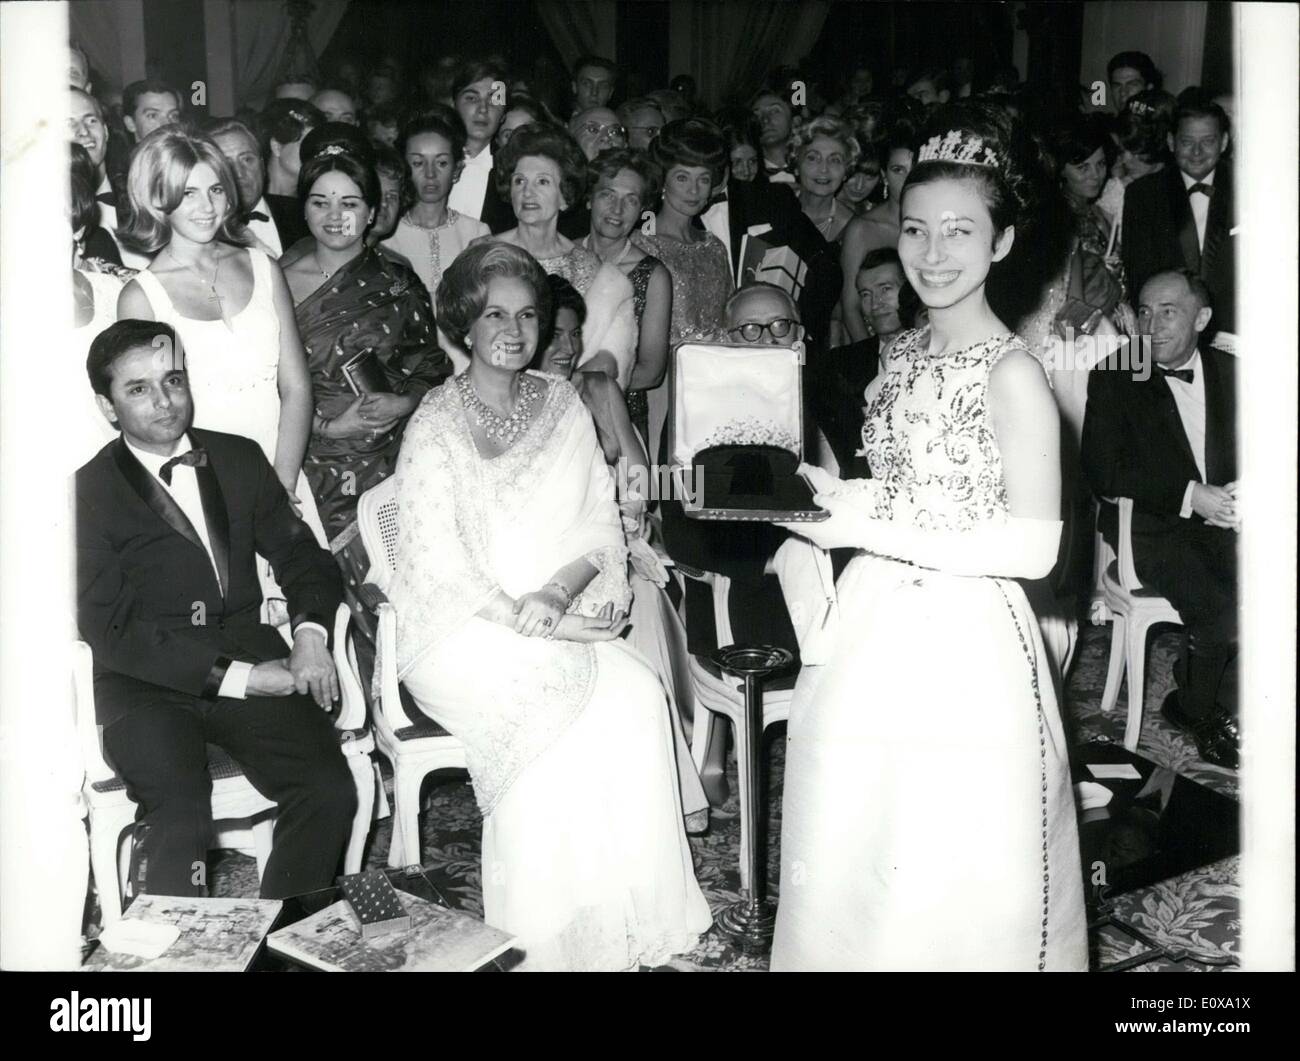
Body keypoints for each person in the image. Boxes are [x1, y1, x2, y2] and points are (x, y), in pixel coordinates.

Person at [771, 105, 1088, 970]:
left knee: (948, 865)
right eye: (916, 229)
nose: (933, 253)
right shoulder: (900, 354)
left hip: (966, 637)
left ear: (1003, 242)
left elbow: (1033, 548)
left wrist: (871, 517)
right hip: (873, 616)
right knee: (856, 838)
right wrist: (819, 499)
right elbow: (894, 488)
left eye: (960, 231)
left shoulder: (1016, 375)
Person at [388, 242, 711, 969]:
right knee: (547, 705)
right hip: (463, 627)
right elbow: (439, 566)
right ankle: (544, 940)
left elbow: (599, 522)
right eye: (495, 313)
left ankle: (620, 920)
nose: (514, 329)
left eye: (528, 315)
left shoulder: (562, 402)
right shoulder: (434, 424)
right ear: (463, 324)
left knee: (632, 690)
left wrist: (558, 594)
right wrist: (531, 617)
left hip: (551, 608)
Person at [76, 319, 355, 900]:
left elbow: (304, 558)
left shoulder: (236, 457)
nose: (165, 400)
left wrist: (309, 635)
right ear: (107, 406)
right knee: (179, 813)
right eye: (138, 389)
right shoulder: (86, 493)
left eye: (173, 380)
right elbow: (116, 632)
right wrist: (248, 680)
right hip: (144, 684)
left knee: (329, 789)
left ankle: (281, 940)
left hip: (250, 650)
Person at [535, 275, 709, 831]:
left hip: (612, 541)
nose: (566, 348)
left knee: (643, 601)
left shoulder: (600, 390)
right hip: (541, 559)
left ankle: (659, 794)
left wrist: (625, 517)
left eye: (574, 334)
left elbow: (638, 482)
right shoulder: (511, 402)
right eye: (554, 335)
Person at [115, 126, 326, 570]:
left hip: (282, 473)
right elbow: (163, 415)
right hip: (205, 489)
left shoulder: (263, 266)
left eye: (215, 189)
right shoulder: (144, 298)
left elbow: (296, 386)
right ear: (157, 199)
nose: (207, 207)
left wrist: (280, 489)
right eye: (188, 193)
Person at [281, 144, 450, 678]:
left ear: (374, 211)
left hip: (392, 462)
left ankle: (405, 703)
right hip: (308, 461)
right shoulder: (274, 279)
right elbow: (264, 385)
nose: (335, 217)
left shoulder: (397, 279)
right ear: (302, 208)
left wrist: (402, 402)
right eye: (320, 202)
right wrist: (331, 425)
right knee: (328, 597)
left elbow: (434, 368)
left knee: (400, 589)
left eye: (350, 203)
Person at [1082, 269, 1239, 768]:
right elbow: (1103, 469)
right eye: (1144, 312)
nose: (1151, 326)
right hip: (1150, 527)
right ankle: (1192, 710)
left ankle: (1216, 684)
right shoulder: (1117, 372)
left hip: (1231, 519)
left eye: (1168, 312)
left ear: (1203, 318)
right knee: (1217, 605)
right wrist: (1192, 496)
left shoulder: (1232, 372)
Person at [489, 123, 637, 385]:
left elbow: (609, 359)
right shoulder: (483, 255)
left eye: (542, 182)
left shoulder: (588, 266)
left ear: (565, 196)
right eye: (519, 181)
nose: (527, 192)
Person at [1121, 97, 1235, 337]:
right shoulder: (1143, 195)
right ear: (1172, 142)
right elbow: (1139, 275)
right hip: (1168, 334)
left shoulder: (1251, 190)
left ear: (1224, 142)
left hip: (1234, 333)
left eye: (1208, 141)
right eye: (1187, 142)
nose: (1196, 152)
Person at [582, 148, 673, 441]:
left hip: (621, 419)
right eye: (608, 195)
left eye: (630, 200)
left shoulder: (653, 274)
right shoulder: (562, 256)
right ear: (589, 198)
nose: (617, 209)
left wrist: (581, 386)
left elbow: (652, 371)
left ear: (642, 209)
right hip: (557, 415)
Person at [807, 247, 910, 477]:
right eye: (865, 294)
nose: (875, 303)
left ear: (910, 291)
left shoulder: (938, 355)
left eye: (886, 289)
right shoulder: (838, 365)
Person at [383, 108, 491, 309]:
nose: (430, 173)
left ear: (456, 169)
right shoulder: (387, 236)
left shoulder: (476, 233)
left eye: (441, 162)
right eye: (418, 163)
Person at [840, 121, 916, 340]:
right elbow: (851, 307)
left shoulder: (937, 223)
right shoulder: (862, 229)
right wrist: (870, 361)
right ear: (884, 175)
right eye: (897, 170)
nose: (907, 180)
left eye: (914, 170)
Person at [446, 60, 512, 228]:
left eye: (494, 100)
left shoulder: (512, 172)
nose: (483, 109)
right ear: (453, 105)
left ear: (504, 114)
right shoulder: (430, 161)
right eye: (472, 98)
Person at [208, 116, 286, 257]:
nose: (239, 173)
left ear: (262, 165)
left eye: (247, 159)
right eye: (227, 164)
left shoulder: (301, 214)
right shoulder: (205, 231)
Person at [259, 99, 325, 249]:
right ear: (276, 146)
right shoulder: (252, 205)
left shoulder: (316, 207)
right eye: (307, 145)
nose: (317, 154)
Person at [750, 87, 798, 184]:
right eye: (757, 115)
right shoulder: (748, 176)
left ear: (794, 122)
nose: (765, 120)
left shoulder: (814, 169)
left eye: (774, 111)